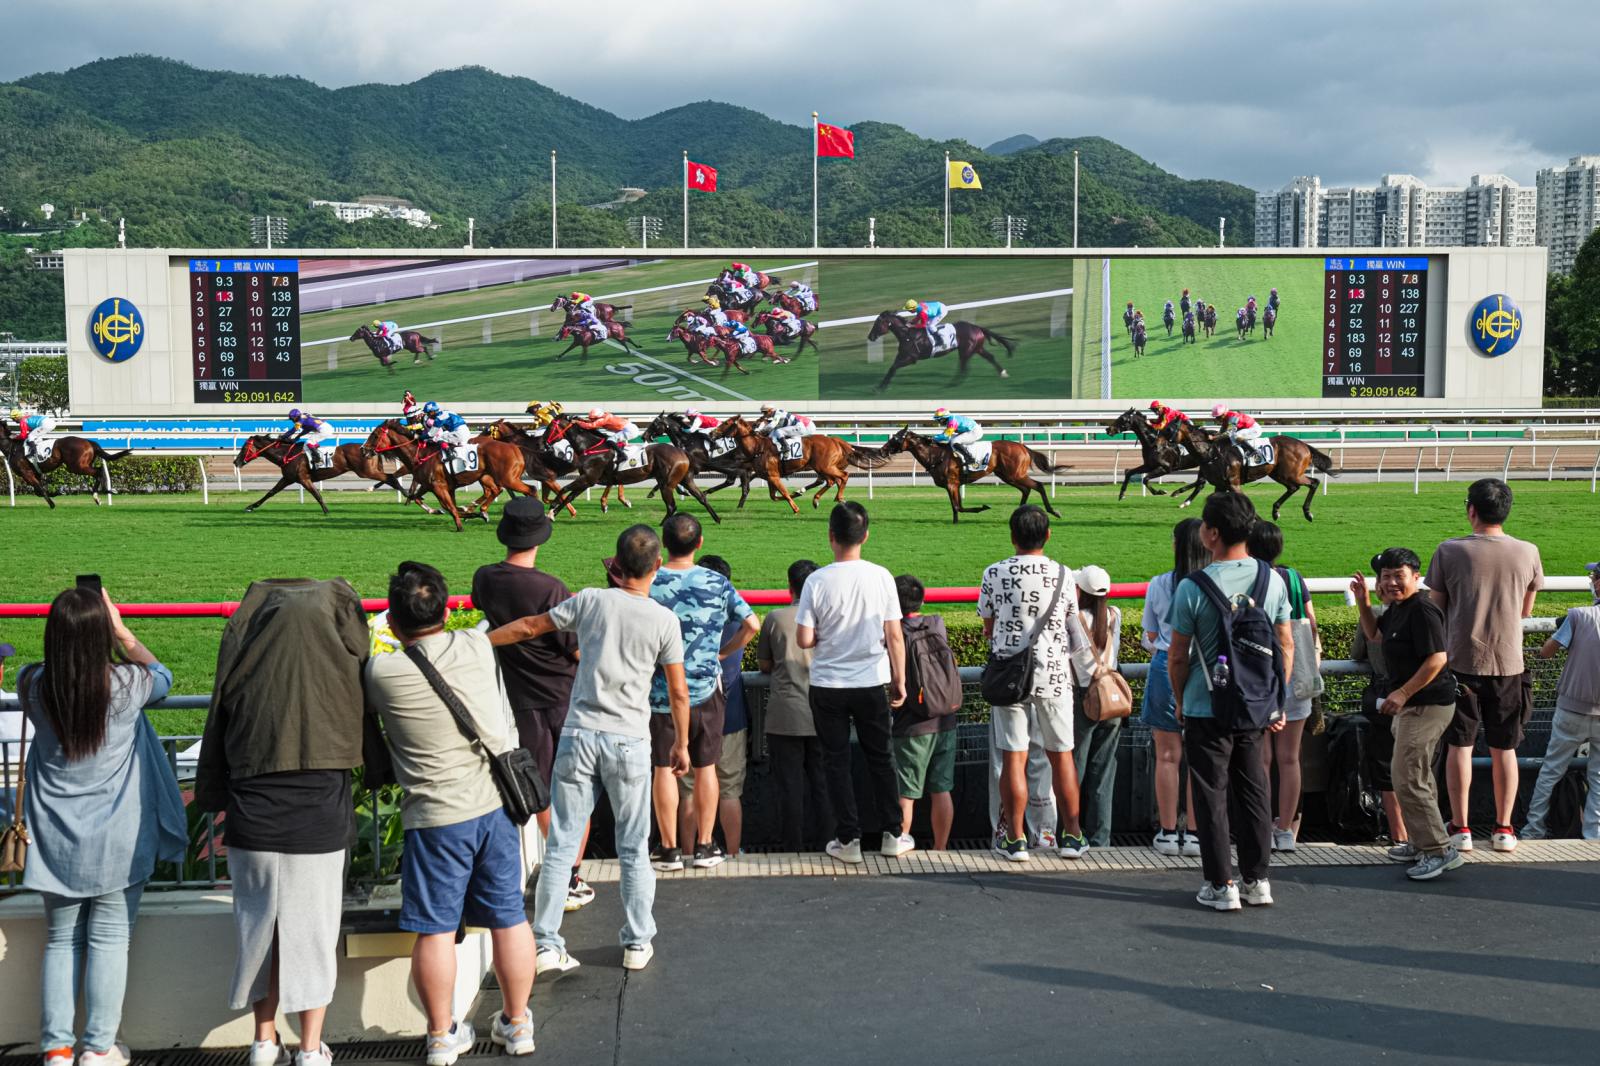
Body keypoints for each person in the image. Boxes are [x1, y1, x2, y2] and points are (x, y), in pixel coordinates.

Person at [489, 525, 688, 976]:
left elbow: (527, 628)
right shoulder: (663, 620)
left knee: (560, 846)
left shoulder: (591, 601)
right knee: (634, 848)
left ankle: (545, 942)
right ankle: (637, 941)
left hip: (580, 736)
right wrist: (681, 742)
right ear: (657, 567)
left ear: (616, 563)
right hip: (629, 741)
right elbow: (678, 691)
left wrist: (475, 642)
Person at [364, 563, 535, 1064]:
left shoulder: (382, 672)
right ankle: (518, 1023)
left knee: (435, 927)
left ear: (393, 621)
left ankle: (441, 1034)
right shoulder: (477, 647)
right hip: (495, 805)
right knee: (508, 916)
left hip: (434, 817)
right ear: (445, 608)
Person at [194, 577, 369, 1066]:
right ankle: (310, 1048)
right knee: (313, 934)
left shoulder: (244, 671)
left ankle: (263, 1040)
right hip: (318, 816)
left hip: (252, 817)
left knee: (259, 933)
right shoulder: (341, 672)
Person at [19, 587, 185, 1066]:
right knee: (111, 938)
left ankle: (57, 1048)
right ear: (101, 635)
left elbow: (45, 677)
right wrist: (123, 631)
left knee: (61, 938)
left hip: (54, 837)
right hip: (119, 837)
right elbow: (164, 677)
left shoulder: (33, 684)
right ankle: (97, 1048)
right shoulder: (128, 686)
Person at [1168, 491, 1293, 911]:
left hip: (1207, 705)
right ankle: (1257, 880)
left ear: (1213, 533)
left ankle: (1221, 885)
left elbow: (1177, 654)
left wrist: (1181, 700)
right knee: (1255, 790)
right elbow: (1285, 645)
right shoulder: (1271, 579)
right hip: (1256, 705)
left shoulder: (1192, 586)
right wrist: (1275, 699)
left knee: (1211, 796)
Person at [471, 497, 596, 911]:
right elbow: (574, 649)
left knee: (539, 786)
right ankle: (570, 874)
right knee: (576, 789)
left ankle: (559, 870)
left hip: (518, 698)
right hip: (564, 696)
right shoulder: (551, 588)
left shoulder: (484, 577)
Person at [1426, 477, 1542, 853]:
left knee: (1458, 747)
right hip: (1509, 662)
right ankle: (1504, 828)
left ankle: (1460, 828)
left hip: (1460, 661)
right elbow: (1526, 610)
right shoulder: (1528, 551)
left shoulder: (1448, 550)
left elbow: (1436, 607)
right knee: (1503, 749)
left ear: (1471, 510)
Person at [796, 502, 910, 863]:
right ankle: (893, 833)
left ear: (831, 537)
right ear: (866, 536)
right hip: (871, 681)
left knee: (836, 761)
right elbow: (894, 635)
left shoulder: (816, 580)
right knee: (881, 757)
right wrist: (900, 680)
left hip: (828, 684)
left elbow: (803, 639)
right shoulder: (881, 576)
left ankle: (849, 841)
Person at [978, 505, 1092, 862]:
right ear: (1047, 535)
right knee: (1062, 757)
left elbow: (988, 626)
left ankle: (1015, 839)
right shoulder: (1063, 575)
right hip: (1055, 675)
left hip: (1009, 677)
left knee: (1014, 757)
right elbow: (1072, 623)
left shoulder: (994, 573)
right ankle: (1071, 836)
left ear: (1012, 536)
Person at [646, 515, 758, 871]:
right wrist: (721, 654)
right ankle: (707, 846)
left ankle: (669, 849)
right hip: (707, 689)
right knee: (707, 765)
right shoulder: (717, 582)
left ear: (663, 545)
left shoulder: (650, 582)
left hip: (660, 691)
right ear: (700, 543)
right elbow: (752, 624)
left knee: (664, 767)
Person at [1351, 548, 1462, 881]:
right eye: (1386, 576)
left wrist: (1401, 693)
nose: (1392, 582)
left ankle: (1440, 850)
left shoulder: (1423, 610)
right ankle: (1420, 841)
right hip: (1413, 706)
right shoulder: (1399, 608)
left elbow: (1437, 659)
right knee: (1416, 776)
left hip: (1427, 705)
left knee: (1407, 777)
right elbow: (1375, 635)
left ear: (1416, 576)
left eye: (1399, 575)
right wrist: (1363, 601)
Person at [1248, 521, 1320, 852]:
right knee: (1290, 758)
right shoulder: (1292, 577)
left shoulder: (1251, 578)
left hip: (1261, 677)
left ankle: (1260, 825)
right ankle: (1285, 830)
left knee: (1261, 758)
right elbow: (1311, 623)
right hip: (1298, 675)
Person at [679, 554, 752, 857]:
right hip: (729, 716)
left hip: (685, 712)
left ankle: (685, 851)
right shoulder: (735, 615)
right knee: (729, 789)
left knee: (687, 789)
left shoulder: (681, 612)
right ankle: (733, 854)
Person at [758, 560, 834, 852]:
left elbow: (764, 664)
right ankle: (829, 842)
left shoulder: (776, 617)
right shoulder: (827, 616)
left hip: (785, 714)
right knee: (824, 784)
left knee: (790, 787)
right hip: (824, 712)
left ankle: (793, 847)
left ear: (789, 586)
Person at [1142, 519, 1207, 856]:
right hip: (1207, 670)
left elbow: (1151, 636)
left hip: (1166, 665)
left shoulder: (1160, 583)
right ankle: (1196, 834)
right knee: (1200, 756)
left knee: (1166, 756)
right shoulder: (1213, 584)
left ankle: (1168, 832)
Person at [1524, 562, 1600, 840]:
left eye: (1594, 576)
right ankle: (1594, 837)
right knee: (1599, 779)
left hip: (1572, 709)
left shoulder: (1579, 616)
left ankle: (1533, 829)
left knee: (1550, 771)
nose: (1592, 580)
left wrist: (1564, 628)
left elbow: (1546, 652)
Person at [891, 574, 961, 851]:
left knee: (906, 794)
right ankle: (940, 849)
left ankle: (900, 843)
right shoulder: (937, 624)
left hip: (912, 725)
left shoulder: (897, 633)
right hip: (945, 719)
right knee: (941, 789)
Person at [1351, 564, 1410, 850]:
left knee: (1386, 765)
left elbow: (1356, 654)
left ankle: (1399, 834)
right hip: (1412, 696)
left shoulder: (1373, 616)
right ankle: (1414, 832)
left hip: (1383, 695)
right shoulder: (1421, 613)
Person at [1069, 565, 1122, 850]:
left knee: (1074, 769)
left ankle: (1073, 833)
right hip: (1111, 698)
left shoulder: (1074, 620)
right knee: (1104, 772)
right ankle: (1101, 838)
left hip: (1082, 699)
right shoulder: (1115, 615)